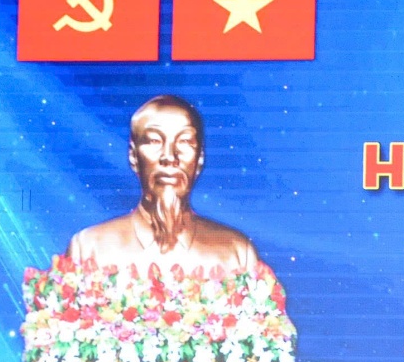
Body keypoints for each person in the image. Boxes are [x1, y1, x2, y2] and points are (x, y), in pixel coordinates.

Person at [67, 95, 262, 276]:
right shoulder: (89, 249)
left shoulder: (236, 253)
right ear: (133, 156)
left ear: (200, 158)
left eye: (184, 141)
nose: (169, 157)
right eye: (154, 140)